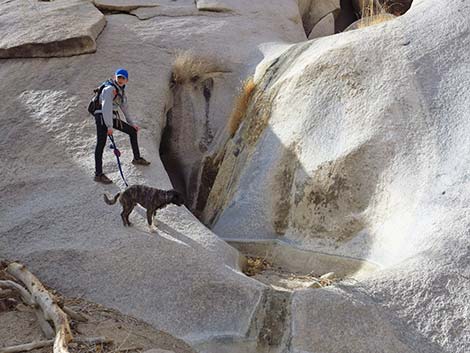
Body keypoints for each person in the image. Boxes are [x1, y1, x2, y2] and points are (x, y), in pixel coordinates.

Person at [93, 68, 150, 184]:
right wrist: (109, 126)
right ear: (115, 77)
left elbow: (125, 109)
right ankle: (98, 174)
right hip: (102, 117)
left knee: (132, 131)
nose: (120, 79)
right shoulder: (110, 89)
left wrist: (132, 124)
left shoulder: (121, 91)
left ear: (126, 80)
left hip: (111, 117)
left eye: (123, 78)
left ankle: (137, 158)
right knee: (101, 144)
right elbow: (106, 107)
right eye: (119, 77)